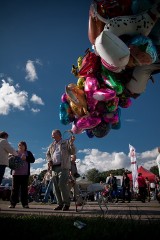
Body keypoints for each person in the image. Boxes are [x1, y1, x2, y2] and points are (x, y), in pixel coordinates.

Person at [46, 129, 76, 211]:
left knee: (62, 184)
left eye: (53, 134)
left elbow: (73, 151)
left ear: (59, 134)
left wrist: (72, 143)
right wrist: (49, 160)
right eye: (52, 135)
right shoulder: (52, 145)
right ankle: (60, 204)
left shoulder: (66, 142)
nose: (52, 136)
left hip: (64, 167)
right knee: (55, 187)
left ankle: (66, 204)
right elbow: (47, 154)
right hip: (54, 168)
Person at [9, 141, 35, 208]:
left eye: (22, 145)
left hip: (25, 174)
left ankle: (25, 204)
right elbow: (10, 160)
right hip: (15, 173)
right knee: (14, 189)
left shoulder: (28, 153)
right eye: (19, 145)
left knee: (24, 189)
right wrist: (10, 157)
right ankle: (13, 204)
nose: (20, 146)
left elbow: (33, 160)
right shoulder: (15, 152)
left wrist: (26, 158)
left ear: (25, 146)